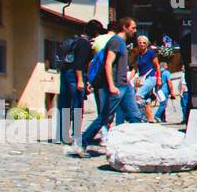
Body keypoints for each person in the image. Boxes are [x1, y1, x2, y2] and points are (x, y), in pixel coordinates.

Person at [80, 17, 138, 153]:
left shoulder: (122, 43)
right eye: (133, 28)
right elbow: (108, 64)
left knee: (135, 116)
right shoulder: (116, 42)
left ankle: (139, 146)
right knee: (104, 117)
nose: (135, 31)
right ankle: (81, 143)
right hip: (117, 85)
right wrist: (111, 86)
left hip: (125, 85)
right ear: (125, 27)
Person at [56, 21, 99, 147]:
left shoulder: (75, 40)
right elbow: (79, 64)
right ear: (95, 32)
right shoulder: (84, 44)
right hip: (75, 75)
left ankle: (61, 135)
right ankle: (76, 136)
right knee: (77, 105)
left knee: (64, 104)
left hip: (65, 73)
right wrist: (81, 80)